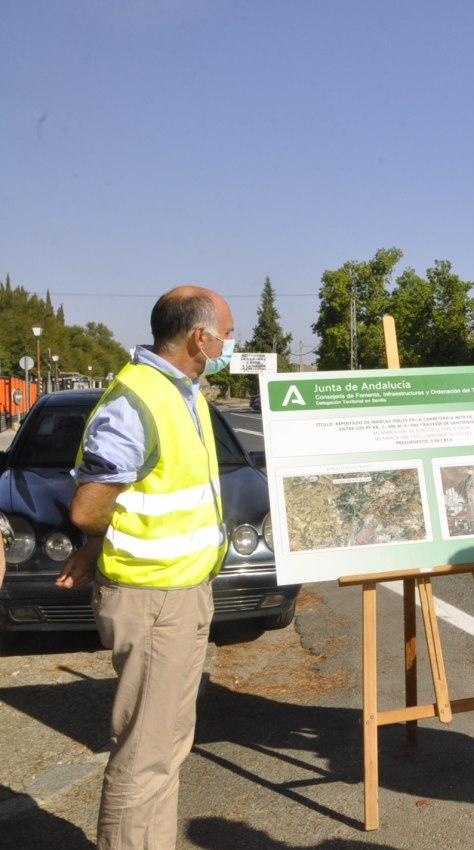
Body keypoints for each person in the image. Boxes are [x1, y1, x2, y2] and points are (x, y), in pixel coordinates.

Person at [56, 286, 236, 850]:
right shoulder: (141, 398)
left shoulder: (181, 393)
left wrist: (101, 544)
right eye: (226, 333)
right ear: (198, 337)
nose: (230, 343)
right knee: (146, 754)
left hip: (177, 593)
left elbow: (137, 495)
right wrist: (98, 537)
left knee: (165, 746)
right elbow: (89, 505)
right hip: (156, 600)